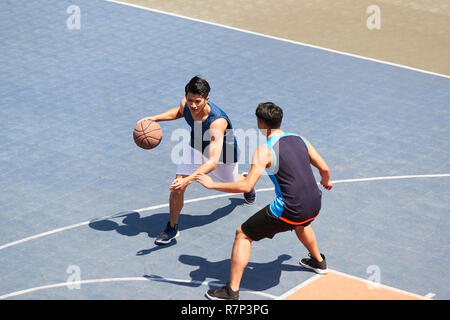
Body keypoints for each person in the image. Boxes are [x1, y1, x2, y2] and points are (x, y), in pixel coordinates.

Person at [195, 102, 332, 300]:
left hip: (290, 209)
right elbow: (325, 169)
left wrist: (211, 184)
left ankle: (231, 291)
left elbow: (246, 186)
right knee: (302, 223)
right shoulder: (300, 139)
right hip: (314, 204)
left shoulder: (264, 151)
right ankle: (318, 261)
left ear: (261, 124)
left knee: (242, 234)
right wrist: (326, 182)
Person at [146, 76, 256, 245]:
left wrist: (189, 179)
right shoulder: (187, 105)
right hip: (196, 145)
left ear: (207, 99)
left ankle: (246, 182)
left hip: (222, 156)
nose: (193, 105)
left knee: (232, 184)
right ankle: (172, 227)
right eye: (190, 100)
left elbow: (212, 162)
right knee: (177, 186)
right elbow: (179, 111)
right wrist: (154, 119)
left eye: (198, 101)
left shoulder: (217, 122)